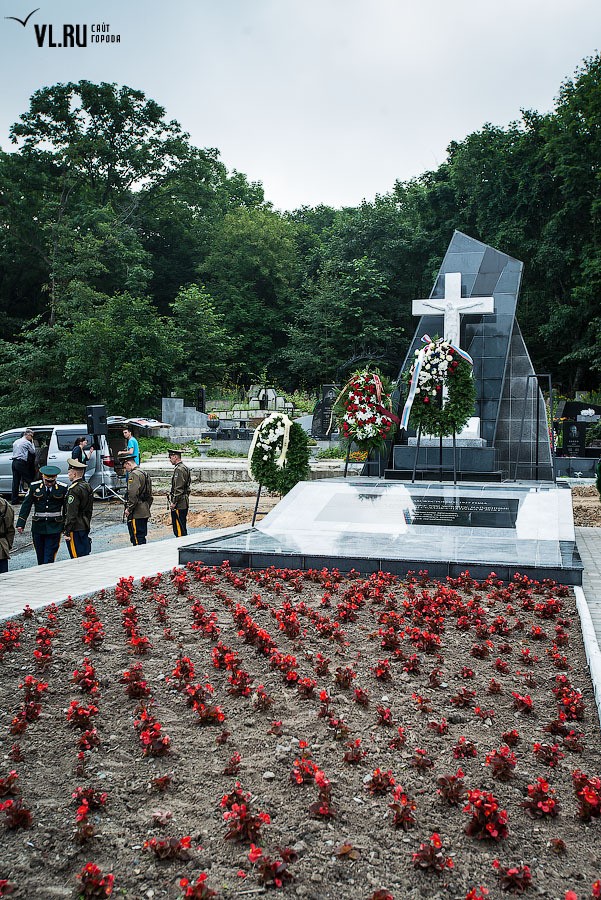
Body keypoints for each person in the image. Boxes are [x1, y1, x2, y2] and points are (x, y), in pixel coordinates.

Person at [16, 465, 68, 565]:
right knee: (40, 556)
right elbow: (26, 505)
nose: (49, 483)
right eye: (47, 481)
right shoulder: (34, 487)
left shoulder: (62, 488)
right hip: (38, 526)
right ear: (42, 477)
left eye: (51, 481)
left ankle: (47, 574)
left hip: (54, 526)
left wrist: (65, 526)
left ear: (55, 478)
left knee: (49, 556)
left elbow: (66, 509)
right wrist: (21, 523)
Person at [63, 458, 94, 558]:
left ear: (74, 474)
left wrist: (67, 530)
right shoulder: (87, 486)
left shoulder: (74, 490)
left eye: (69, 473)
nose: (68, 475)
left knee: (76, 557)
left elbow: (71, 512)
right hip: (84, 524)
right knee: (84, 555)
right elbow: (89, 509)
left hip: (75, 527)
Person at [122, 454, 153, 545]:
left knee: (136, 538)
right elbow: (149, 493)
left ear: (128, 464)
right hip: (144, 509)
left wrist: (129, 508)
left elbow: (133, 494)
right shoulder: (144, 473)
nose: (126, 470)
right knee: (142, 536)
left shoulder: (134, 474)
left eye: (125, 467)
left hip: (136, 512)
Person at [167, 448, 191, 536]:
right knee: (181, 526)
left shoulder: (179, 469)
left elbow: (178, 488)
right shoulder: (184, 467)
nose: (169, 460)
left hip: (179, 503)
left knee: (179, 529)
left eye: (170, 457)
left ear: (175, 457)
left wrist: (174, 502)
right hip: (183, 501)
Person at [11, 428, 36, 504]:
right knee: (29, 479)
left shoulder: (16, 441)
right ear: (27, 435)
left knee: (15, 481)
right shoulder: (27, 442)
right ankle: (34, 497)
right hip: (21, 463)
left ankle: (14, 500)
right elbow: (33, 451)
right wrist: (32, 443)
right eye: (31, 436)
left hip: (14, 462)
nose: (32, 438)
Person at [0, 496, 16, 574]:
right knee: (4, 580)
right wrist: (7, 546)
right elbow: (10, 530)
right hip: (2, 548)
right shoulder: (7, 506)